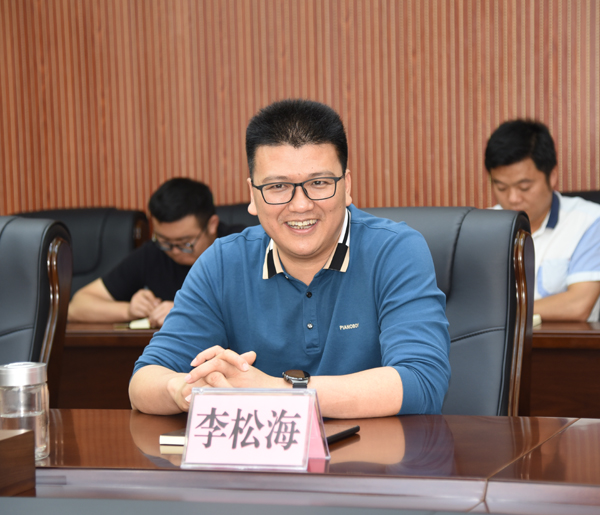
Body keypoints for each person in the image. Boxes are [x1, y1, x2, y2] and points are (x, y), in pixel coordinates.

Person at [129, 99, 451, 418]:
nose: (300, 205)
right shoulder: (223, 263)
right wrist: (186, 390)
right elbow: (143, 381)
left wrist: (274, 391)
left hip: (375, 452)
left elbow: (422, 382)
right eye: (278, 186)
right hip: (264, 452)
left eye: (319, 183)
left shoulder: (395, 251)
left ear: (347, 186)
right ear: (253, 194)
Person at [68, 178, 245, 328]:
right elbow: (77, 306)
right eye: (165, 241)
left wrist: (188, 312)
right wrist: (129, 310)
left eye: (185, 243)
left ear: (212, 225)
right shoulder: (153, 253)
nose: (174, 251)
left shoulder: (241, 247)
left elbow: (254, 309)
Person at [485, 120, 600, 322]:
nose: (513, 198)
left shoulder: (589, 222)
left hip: (566, 341)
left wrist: (499, 313)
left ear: (552, 176)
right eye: (501, 187)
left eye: (524, 187)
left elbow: (578, 304)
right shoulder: (481, 227)